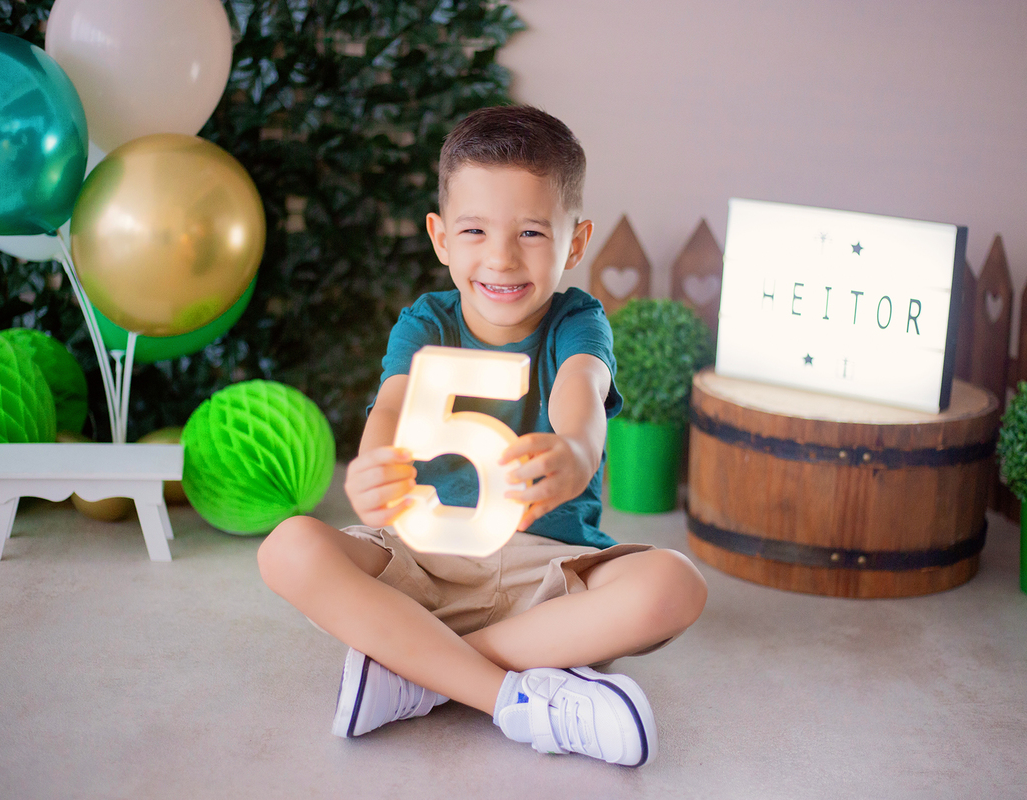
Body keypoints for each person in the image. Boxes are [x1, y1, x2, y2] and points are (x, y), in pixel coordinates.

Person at [256, 105, 708, 768]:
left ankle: (416, 670)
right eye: (474, 230)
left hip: (544, 579)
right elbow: (394, 403)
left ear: (575, 244)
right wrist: (372, 465)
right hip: (424, 565)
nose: (500, 257)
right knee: (288, 550)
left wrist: (577, 452)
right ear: (440, 238)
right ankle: (514, 699)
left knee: (675, 585)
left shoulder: (576, 321)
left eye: (530, 232)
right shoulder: (426, 321)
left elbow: (579, 392)